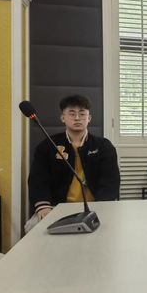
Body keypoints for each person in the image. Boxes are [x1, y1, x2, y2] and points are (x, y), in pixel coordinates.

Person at [27, 94, 120, 232]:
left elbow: (110, 181)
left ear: (89, 118)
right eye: (72, 114)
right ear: (62, 118)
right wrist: (43, 206)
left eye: (82, 114)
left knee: (111, 229)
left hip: (95, 206)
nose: (77, 118)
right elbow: (38, 179)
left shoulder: (103, 146)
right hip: (57, 206)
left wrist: (101, 207)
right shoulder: (48, 145)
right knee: (32, 227)